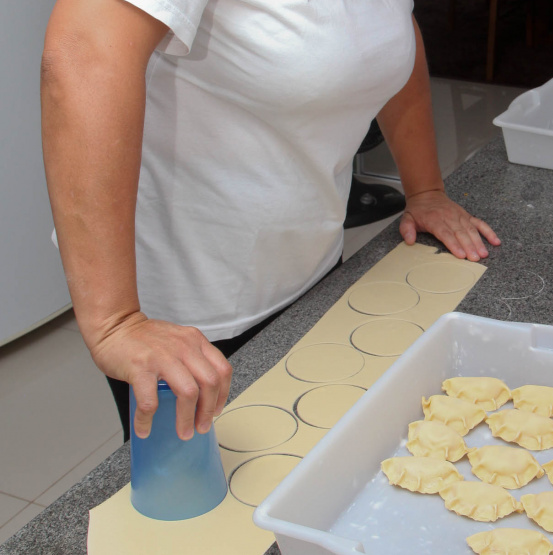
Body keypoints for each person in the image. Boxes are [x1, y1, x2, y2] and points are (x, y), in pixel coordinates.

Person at [41, 0, 500, 444]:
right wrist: (115, 322)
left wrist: (426, 191)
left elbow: (384, 39)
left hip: (306, 260)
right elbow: (83, 52)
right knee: (208, 503)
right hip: (189, 304)